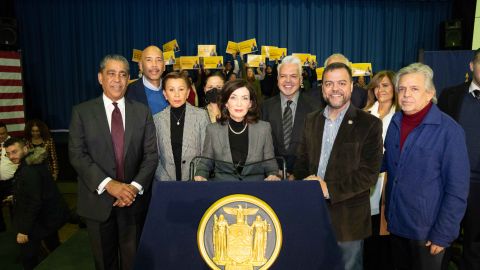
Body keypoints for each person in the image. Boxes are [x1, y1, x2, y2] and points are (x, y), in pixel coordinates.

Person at [69, 54, 158, 270]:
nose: (117, 80)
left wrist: (133, 188)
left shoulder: (142, 112)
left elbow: (150, 155)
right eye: (111, 73)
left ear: (129, 79)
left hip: (132, 203)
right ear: (100, 78)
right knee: (104, 263)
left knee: (133, 263)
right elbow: (77, 155)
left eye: (123, 74)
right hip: (97, 203)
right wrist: (110, 185)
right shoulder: (82, 112)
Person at [293, 62, 383, 270]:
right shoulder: (311, 120)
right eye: (329, 83)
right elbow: (301, 161)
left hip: (348, 221)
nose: (335, 89)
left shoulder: (369, 124)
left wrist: (327, 189)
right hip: (312, 215)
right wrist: (306, 182)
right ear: (322, 88)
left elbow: (368, 174)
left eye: (341, 83)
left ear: (352, 86)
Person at [383, 63, 469, 270]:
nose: (405, 94)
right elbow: (389, 162)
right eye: (401, 89)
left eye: (414, 89)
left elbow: (457, 189)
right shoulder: (396, 121)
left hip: (428, 234)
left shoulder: (450, 132)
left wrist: (443, 234)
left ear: (430, 93)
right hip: (397, 225)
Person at [438, 48, 480, 270]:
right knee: (442, 240)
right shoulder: (449, 95)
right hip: (449, 182)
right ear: (472, 66)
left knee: (474, 246)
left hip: (479, 187)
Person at [194, 79, 280, 181]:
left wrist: (273, 175)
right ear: (226, 102)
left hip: (254, 192)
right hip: (223, 192)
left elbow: (270, 163)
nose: (239, 104)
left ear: (250, 103)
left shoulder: (264, 129)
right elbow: (205, 162)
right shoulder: (213, 130)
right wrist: (200, 175)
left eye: (244, 98)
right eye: (233, 98)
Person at [4, 137, 69, 270]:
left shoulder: (29, 170)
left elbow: (34, 201)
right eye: (8, 153)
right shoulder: (33, 163)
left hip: (39, 220)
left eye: (14, 152)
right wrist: (16, 196)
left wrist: (24, 230)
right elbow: (36, 191)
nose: (11, 156)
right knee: (54, 246)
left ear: (25, 149)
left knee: (28, 257)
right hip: (47, 217)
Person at [261, 56, 321, 178]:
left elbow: (317, 148)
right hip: (272, 179)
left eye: (293, 76)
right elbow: (259, 147)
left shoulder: (315, 108)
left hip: (303, 180)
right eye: (283, 76)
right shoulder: (264, 107)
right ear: (277, 79)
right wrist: (273, 171)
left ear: (301, 79)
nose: (288, 81)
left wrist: (297, 174)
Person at [362, 70, 398, 270]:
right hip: (364, 179)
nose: (380, 90)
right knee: (366, 233)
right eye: (377, 86)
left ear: (394, 88)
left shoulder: (400, 116)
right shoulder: (364, 113)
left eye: (385, 85)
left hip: (387, 180)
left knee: (382, 233)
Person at [153, 72, 209, 181]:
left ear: (188, 92)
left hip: (195, 181)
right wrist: (166, 181)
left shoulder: (201, 116)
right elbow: (154, 157)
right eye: (171, 90)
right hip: (166, 183)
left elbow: (206, 153)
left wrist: (197, 176)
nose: (177, 95)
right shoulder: (157, 119)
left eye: (181, 89)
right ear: (164, 94)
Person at [126, 45, 168, 115]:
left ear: (164, 66)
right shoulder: (128, 92)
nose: (154, 65)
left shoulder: (173, 88)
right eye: (149, 60)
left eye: (158, 60)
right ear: (140, 66)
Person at [0, 122, 18, 232]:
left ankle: (17, 232)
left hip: (12, 182)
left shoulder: (14, 144)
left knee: (15, 210)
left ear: (7, 132)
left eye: (3, 133)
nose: (0, 136)